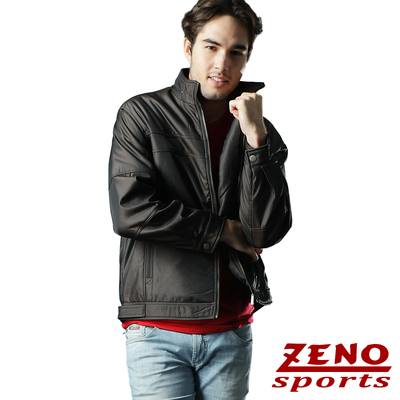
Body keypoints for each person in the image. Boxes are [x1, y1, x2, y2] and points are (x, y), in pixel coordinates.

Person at [108, 0, 292, 398]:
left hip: (232, 329)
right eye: (211, 47)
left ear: (247, 58)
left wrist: (257, 142)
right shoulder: (142, 114)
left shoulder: (259, 131)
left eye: (236, 51)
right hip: (157, 330)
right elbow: (131, 210)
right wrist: (223, 230)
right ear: (188, 47)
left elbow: (265, 231)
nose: (222, 63)